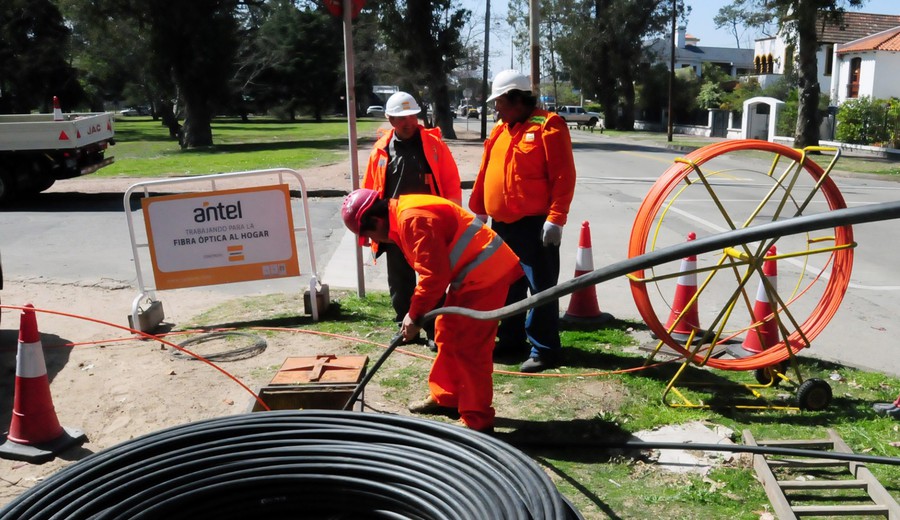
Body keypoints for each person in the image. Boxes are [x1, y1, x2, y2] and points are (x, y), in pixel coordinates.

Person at [341, 189, 523, 433]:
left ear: (376, 220)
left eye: (370, 235)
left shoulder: (412, 219)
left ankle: (477, 421)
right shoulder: (401, 214)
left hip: (485, 274)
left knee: (471, 347)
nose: (376, 241)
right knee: (447, 331)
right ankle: (446, 396)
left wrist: (414, 316)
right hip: (470, 274)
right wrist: (416, 313)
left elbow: (434, 277)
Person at [469, 69, 577, 373]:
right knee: (507, 286)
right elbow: (484, 173)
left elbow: (563, 176)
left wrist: (556, 218)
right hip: (501, 226)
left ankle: (544, 349)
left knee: (540, 288)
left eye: (499, 101)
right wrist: (479, 209)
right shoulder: (500, 131)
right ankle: (511, 339)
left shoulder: (549, 126)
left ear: (516, 98)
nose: (496, 108)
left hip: (535, 225)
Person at [363, 91, 462, 350]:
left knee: (433, 279)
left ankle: (432, 328)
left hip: (430, 227)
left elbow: (451, 183)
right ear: (389, 119)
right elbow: (370, 190)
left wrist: (454, 219)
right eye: (400, 118)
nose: (408, 122)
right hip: (393, 228)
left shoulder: (434, 145)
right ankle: (404, 326)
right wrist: (366, 230)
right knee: (399, 280)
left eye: (411, 116)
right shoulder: (381, 150)